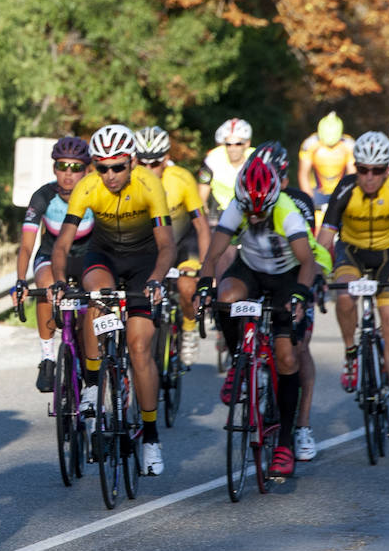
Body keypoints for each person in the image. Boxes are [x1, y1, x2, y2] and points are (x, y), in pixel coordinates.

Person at [49, 125, 176, 475]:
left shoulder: (151, 186)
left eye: (117, 167)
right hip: (103, 255)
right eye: (102, 167)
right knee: (97, 297)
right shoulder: (88, 187)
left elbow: (166, 245)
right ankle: (92, 383)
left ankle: (150, 437)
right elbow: (62, 245)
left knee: (138, 348)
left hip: (143, 263)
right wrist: (59, 281)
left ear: (132, 163)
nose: (109, 175)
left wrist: (155, 279)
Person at [196, 157, 323, 476]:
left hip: (285, 276)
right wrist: (203, 285)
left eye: (260, 210)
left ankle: (283, 442)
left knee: (287, 358)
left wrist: (299, 294)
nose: (254, 215)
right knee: (225, 298)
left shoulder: (285, 210)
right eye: (248, 209)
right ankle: (239, 358)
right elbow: (214, 253)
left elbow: (308, 263)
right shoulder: (239, 205)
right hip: (251, 270)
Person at [318, 131, 389, 434]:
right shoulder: (345, 188)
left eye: (377, 171)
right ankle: (351, 354)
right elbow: (325, 237)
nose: (369, 177)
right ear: (356, 168)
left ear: (388, 169)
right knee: (345, 296)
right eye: (363, 170)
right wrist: (319, 273)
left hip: (387, 256)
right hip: (352, 253)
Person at [253, 141, 322, 461]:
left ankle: (302, 426)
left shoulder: (298, 201)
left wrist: (305, 290)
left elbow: (304, 254)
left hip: (294, 277)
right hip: (259, 275)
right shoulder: (247, 195)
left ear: (283, 175)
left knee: (299, 347)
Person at [14, 136, 93, 391]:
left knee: (85, 317)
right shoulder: (43, 195)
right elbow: (27, 245)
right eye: (62, 166)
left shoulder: (94, 193)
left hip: (86, 257)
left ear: (88, 169)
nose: (68, 174)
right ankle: (47, 357)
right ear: (54, 168)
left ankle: (85, 358)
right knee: (46, 288)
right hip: (49, 255)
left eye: (76, 167)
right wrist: (19, 279)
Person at [134, 126, 211, 367]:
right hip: (149, 247)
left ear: (166, 158)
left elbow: (201, 225)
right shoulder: (128, 180)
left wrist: (207, 268)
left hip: (181, 245)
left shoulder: (181, 179)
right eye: (142, 163)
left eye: (154, 163)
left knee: (187, 285)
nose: (148, 169)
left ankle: (188, 330)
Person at [198, 118, 255, 223]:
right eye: (228, 144)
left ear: (247, 144)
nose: (232, 148)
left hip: (248, 211)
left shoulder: (257, 159)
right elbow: (201, 197)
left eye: (238, 144)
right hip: (219, 211)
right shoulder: (212, 159)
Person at [298, 111, 356, 211]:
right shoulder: (310, 143)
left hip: (340, 190)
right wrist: (308, 200)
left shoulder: (349, 144)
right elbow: (303, 174)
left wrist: (348, 197)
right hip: (316, 191)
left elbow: (352, 175)